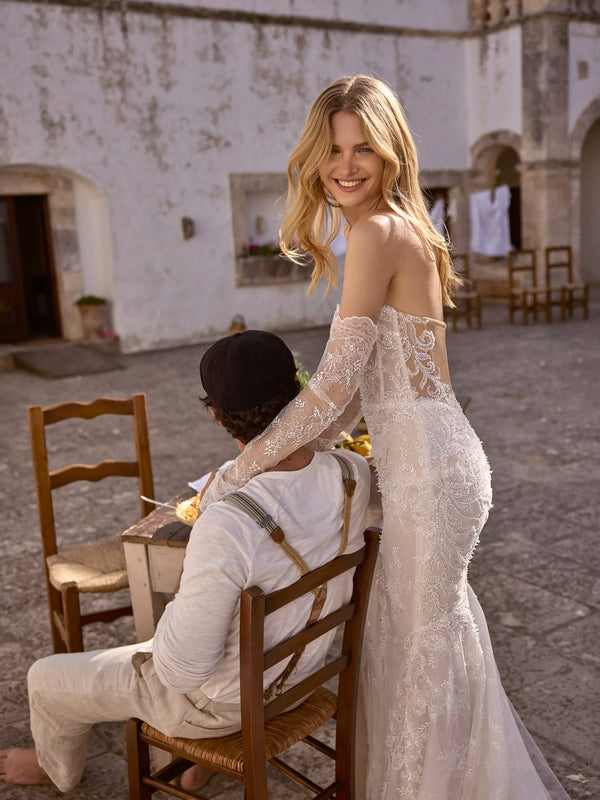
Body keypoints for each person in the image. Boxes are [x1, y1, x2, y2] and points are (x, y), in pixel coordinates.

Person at [197, 76, 571, 799]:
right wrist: (300, 452)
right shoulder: (401, 228)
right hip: (436, 459)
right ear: (315, 156)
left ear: (391, 153)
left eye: (363, 148)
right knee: (422, 643)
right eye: (333, 149)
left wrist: (241, 467)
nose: (345, 165)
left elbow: (333, 385)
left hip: (431, 470)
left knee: (422, 652)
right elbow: (356, 396)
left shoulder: (377, 232)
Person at [0, 330, 371, 793]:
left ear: (216, 416)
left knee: (45, 677)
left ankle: (51, 770)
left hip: (222, 708)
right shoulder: (350, 473)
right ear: (299, 391)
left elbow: (180, 673)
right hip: (304, 677)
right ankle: (201, 764)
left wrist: (181, 596)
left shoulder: (229, 523)